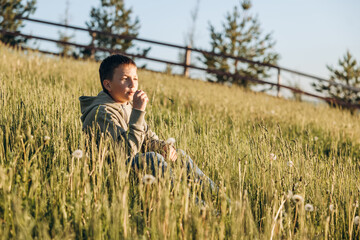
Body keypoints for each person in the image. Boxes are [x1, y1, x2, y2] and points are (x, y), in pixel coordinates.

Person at [79, 54, 216, 195]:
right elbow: (124, 153)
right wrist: (138, 112)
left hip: (133, 166)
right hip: (112, 173)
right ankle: (193, 205)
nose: (132, 85)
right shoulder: (101, 112)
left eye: (135, 79)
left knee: (178, 155)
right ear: (108, 84)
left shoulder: (128, 106)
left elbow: (147, 139)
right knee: (153, 159)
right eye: (125, 79)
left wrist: (162, 147)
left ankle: (218, 198)